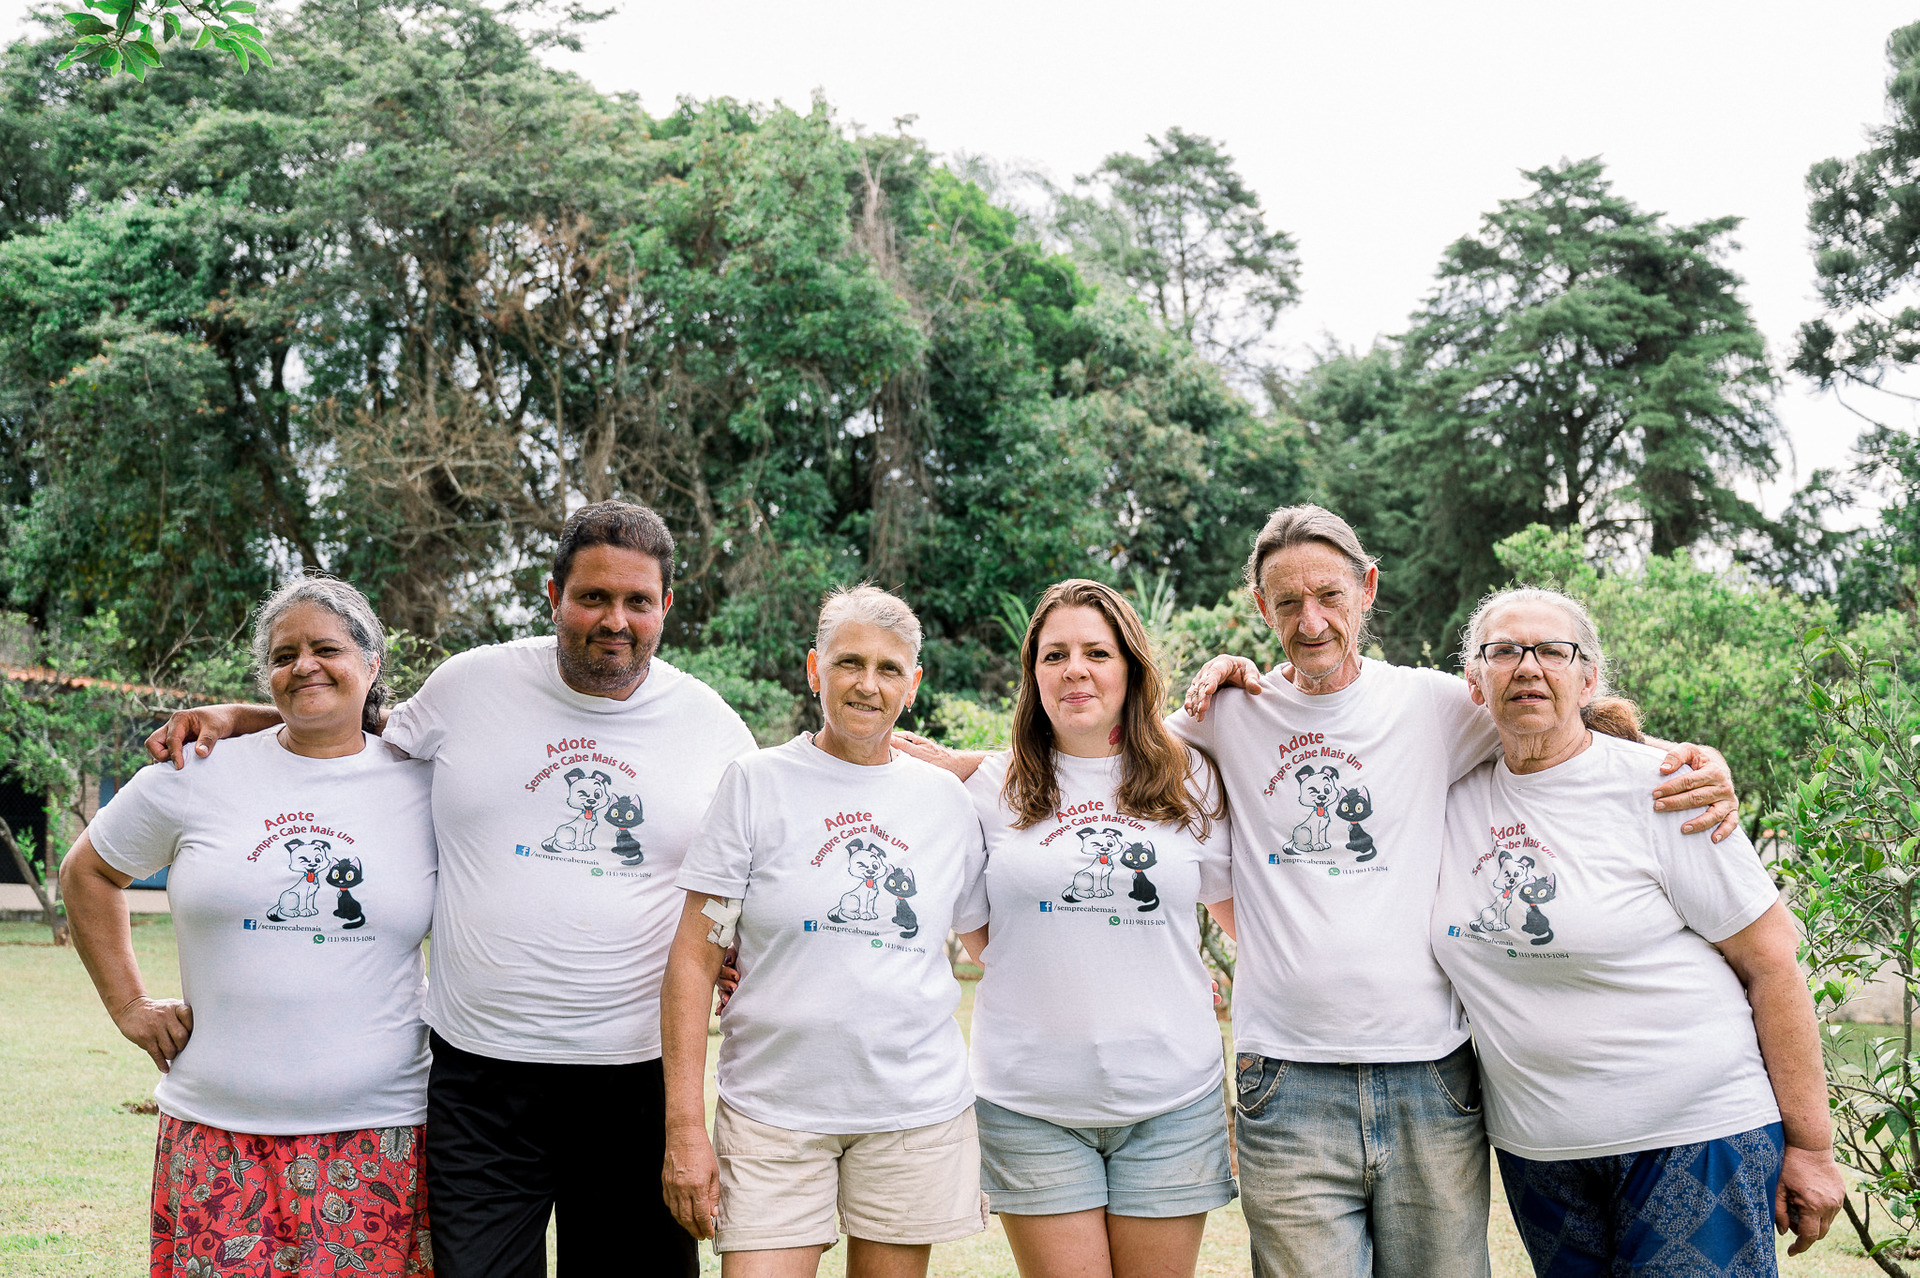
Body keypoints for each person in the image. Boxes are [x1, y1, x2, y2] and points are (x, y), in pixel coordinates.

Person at [144, 501, 758, 1278]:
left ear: (665, 604)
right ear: (553, 596)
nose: (615, 619)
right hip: (479, 1081)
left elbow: (758, 862)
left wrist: (884, 762)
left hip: (637, 1075)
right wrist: (243, 717)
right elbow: (354, 730)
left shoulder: (711, 728)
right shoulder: (470, 686)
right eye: (593, 597)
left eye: (637, 600)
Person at [1153, 505, 1741, 1278]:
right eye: (1287, 602)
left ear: (1368, 588)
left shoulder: (1430, 704)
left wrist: (1690, 761)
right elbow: (1106, 757)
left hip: (1431, 1073)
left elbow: (1561, 725)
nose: (1311, 621)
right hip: (1285, 1077)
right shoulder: (1226, 711)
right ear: (1261, 606)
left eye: (1329, 595)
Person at [1435, 585, 1845, 1272]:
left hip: (1696, 1136)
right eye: (1503, 651)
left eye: (1552, 651)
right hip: (1541, 1157)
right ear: (1474, 683)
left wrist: (1812, 1146)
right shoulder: (1447, 797)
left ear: (1588, 679)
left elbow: (1772, 961)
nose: (1528, 667)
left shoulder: (1666, 790)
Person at [64, 576, 437, 1278]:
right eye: (283, 655)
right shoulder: (197, 773)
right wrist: (129, 1004)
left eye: (326, 648)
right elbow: (88, 871)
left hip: (380, 1136)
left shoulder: (426, 783)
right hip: (215, 1134)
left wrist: (236, 713)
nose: (303, 666)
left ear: (372, 663)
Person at [660, 585, 987, 1277]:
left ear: (913, 685)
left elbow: (995, 946)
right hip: (771, 1113)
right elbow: (694, 958)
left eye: (889, 669)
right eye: (849, 662)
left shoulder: (946, 802)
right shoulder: (756, 784)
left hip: (911, 1112)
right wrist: (685, 1127)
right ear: (815, 669)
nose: (868, 684)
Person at [952, 579, 1238, 1278]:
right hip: (1030, 1105)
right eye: (1054, 655)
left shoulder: (1190, 777)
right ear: (1033, 675)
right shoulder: (989, 789)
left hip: (1173, 1102)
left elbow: (1238, 918)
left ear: (1131, 669)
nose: (1074, 670)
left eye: (1097, 653)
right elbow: (986, 939)